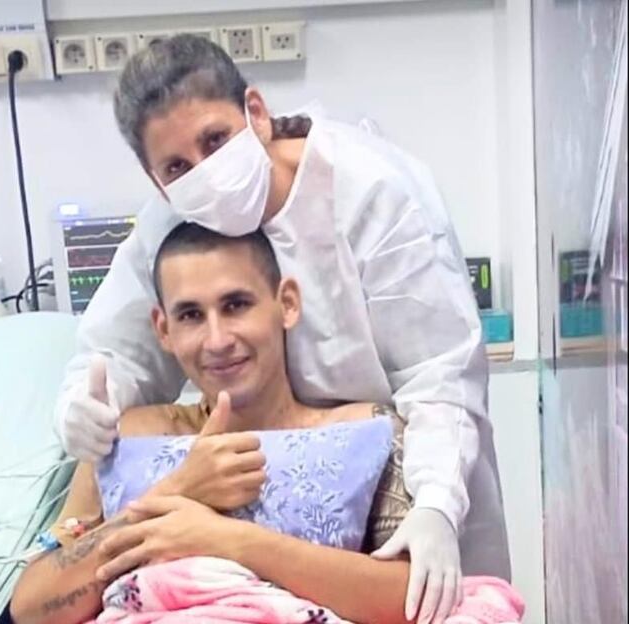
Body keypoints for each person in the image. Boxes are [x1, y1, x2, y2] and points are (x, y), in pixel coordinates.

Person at [54, 34, 510, 623]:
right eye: (176, 167)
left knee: (434, 598)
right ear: (155, 179)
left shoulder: (371, 192)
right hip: (231, 510)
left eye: (215, 140)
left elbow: (440, 374)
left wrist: (438, 502)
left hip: (394, 483)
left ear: (257, 113)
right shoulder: (169, 225)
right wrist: (87, 404)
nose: (202, 173)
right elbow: (117, 351)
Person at [11, 224, 414, 624]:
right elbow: (30, 609)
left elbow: (414, 600)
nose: (217, 340)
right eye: (191, 315)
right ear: (164, 330)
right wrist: (180, 489)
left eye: (236, 305)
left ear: (287, 304)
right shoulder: (124, 438)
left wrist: (228, 540)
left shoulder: (367, 432)